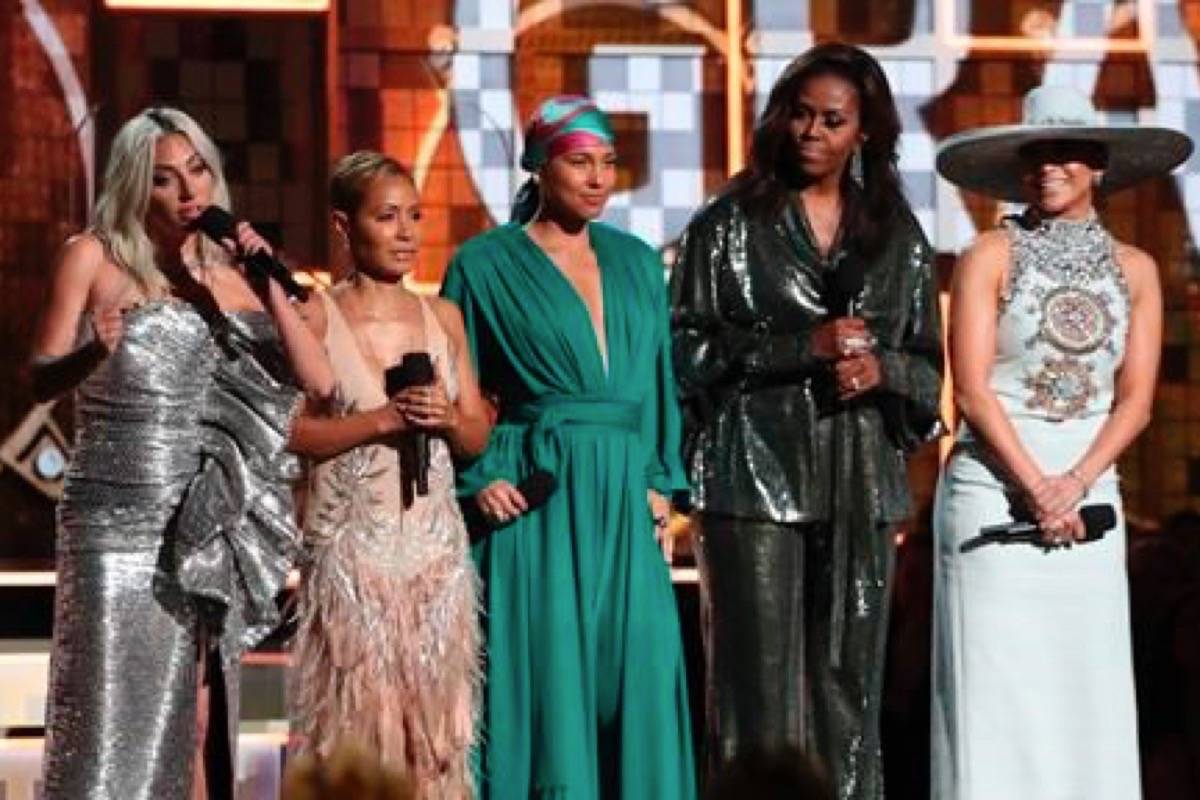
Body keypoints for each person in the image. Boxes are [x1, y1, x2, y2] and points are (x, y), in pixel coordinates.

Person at [30, 107, 334, 799]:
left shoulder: (227, 273)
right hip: (111, 521)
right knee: (107, 722)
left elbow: (319, 383)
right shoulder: (94, 255)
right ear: (136, 187)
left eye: (197, 171)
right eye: (164, 179)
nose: (187, 192)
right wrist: (88, 353)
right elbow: (37, 376)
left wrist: (265, 279)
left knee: (194, 720)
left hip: (197, 521)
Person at [670, 42, 943, 798]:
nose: (811, 131)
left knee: (847, 685)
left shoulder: (897, 237)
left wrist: (882, 369)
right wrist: (801, 348)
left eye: (833, 119)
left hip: (859, 479)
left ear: (864, 132)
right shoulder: (725, 225)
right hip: (750, 476)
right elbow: (688, 353)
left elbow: (929, 376)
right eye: (799, 113)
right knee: (756, 691)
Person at [931, 84, 1192, 799]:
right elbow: (975, 390)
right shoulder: (988, 255)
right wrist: (1035, 486)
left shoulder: (1137, 270)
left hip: (1089, 500)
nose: (1049, 166)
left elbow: (1135, 403)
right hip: (991, 492)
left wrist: (1071, 484)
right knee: (995, 700)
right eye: (1037, 153)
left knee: (1085, 694)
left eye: (1066, 152)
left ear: (1098, 165)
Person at [440, 95, 696, 799]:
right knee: (550, 692)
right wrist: (479, 476)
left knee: (637, 675)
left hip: (623, 493)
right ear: (539, 165)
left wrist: (659, 479)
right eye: (580, 162)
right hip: (541, 496)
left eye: (608, 163)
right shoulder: (484, 265)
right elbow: (459, 393)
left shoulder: (639, 261)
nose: (598, 178)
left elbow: (656, 380)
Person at [288, 151, 490, 797]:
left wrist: (450, 421)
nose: (405, 232)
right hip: (353, 560)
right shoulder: (316, 316)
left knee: (434, 742)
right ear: (345, 227)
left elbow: (477, 433)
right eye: (386, 217)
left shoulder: (445, 318)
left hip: (435, 557)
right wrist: (379, 420)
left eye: (414, 216)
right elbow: (288, 431)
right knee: (358, 737)